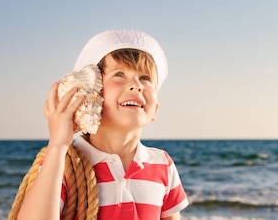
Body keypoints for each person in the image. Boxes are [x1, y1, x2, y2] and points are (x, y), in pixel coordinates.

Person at [17, 29, 189, 220]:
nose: (136, 85)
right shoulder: (62, 165)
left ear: (155, 109)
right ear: (92, 92)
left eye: (145, 78)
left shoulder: (162, 164)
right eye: (120, 74)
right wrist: (58, 144)